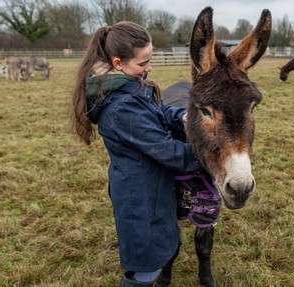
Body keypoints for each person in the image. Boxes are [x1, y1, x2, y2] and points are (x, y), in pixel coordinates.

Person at [71, 22, 202, 287]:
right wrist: (210, 154)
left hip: (149, 186)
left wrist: (183, 116)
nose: (149, 68)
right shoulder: (122, 107)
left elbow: (157, 113)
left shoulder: (129, 87)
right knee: (143, 265)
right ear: (118, 63)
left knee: (156, 251)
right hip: (140, 196)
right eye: (143, 63)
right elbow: (168, 151)